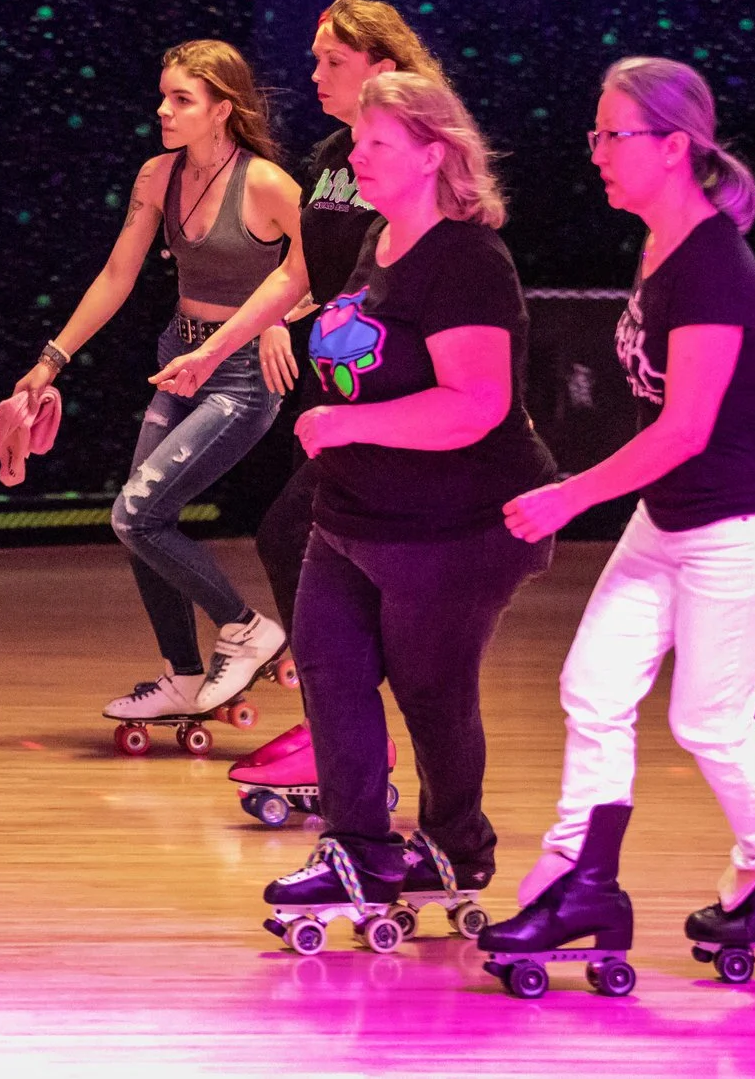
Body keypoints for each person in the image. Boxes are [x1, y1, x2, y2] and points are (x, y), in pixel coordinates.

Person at [483, 58, 755, 974]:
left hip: (741, 525)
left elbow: (684, 427)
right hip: (673, 516)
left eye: (614, 135)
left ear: (676, 147)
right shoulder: (663, 242)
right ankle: (582, 884)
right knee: (594, 686)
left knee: (710, 718)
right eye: (594, 135)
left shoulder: (711, 260)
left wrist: (571, 493)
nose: (597, 153)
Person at [261, 72, 555, 920]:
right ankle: (359, 850)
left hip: (454, 524)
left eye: (377, 144)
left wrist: (345, 426)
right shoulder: (377, 241)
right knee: (330, 669)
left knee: (431, 690)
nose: (356, 157)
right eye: (357, 141)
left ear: (434, 154)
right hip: (353, 516)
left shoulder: (467, 259)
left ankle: (458, 845)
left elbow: (477, 404)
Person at [158, 0, 448, 771]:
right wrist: (215, 349)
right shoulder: (328, 159)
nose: (314, 74)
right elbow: (297, 271)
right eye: (316, 59)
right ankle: (344, 729)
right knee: (315, 550)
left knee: (299, 539)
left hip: (394, 401)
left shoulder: (424, 163)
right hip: (334, 400)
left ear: (383, 70)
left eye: (334, 62)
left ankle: (352, 732)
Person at [13, 40, 299, 726]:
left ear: (221, 110)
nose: (163, 109)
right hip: (180, 356)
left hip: (238, 375)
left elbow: (328, 265)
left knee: (135, 513)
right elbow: (118, 274)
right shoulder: (158, 175)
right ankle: (183, 673)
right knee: (142, 519)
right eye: (163, 94)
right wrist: (53, 357)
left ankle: (245, 625)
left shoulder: (264, 182)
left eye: (182, 99)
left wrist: (279, 317)